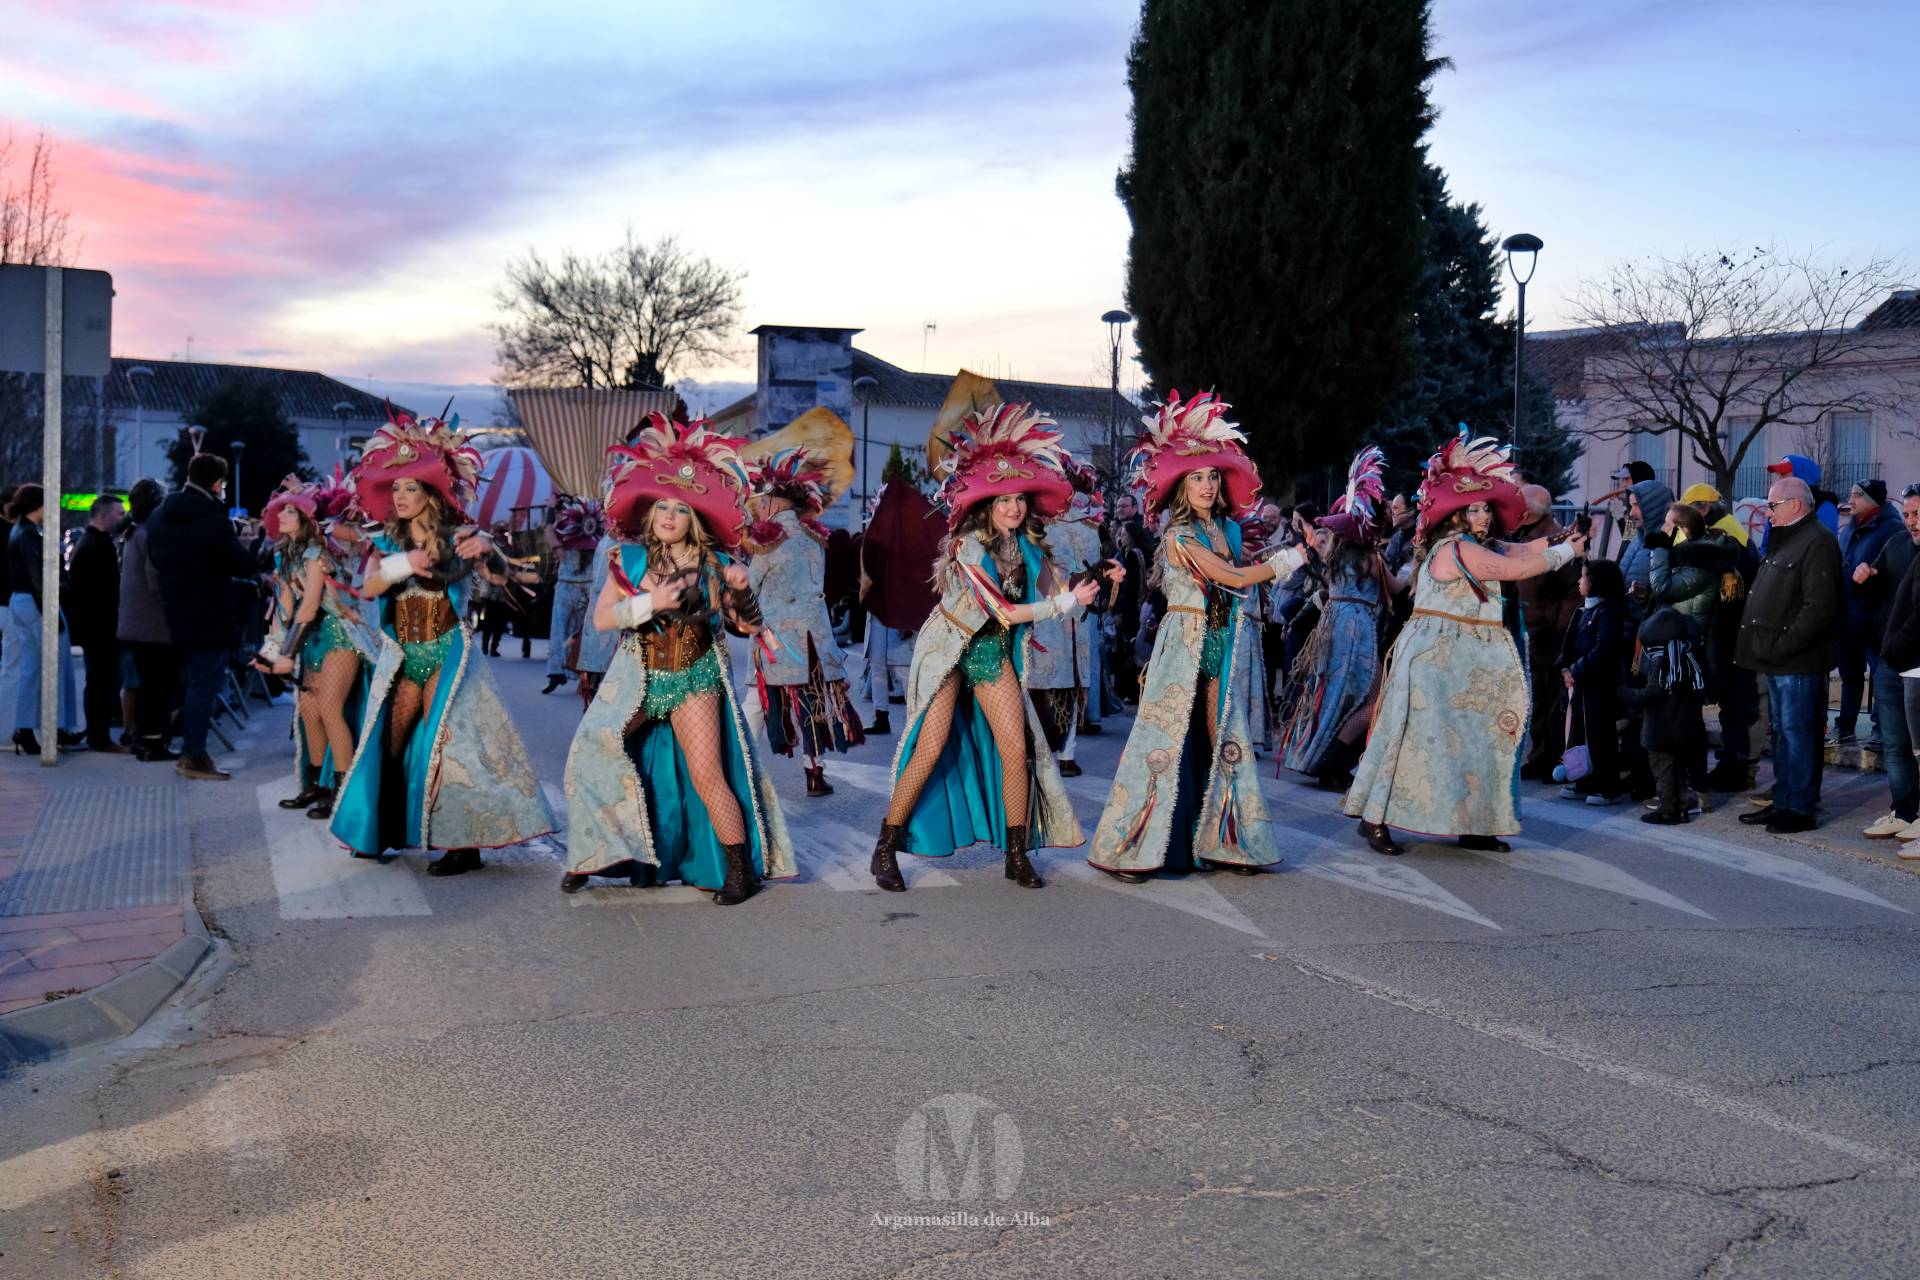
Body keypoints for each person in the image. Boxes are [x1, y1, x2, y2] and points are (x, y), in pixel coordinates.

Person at [870, 402, 1108, 893]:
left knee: (1015, 749)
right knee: (931, 747)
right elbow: (1003, 609)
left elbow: (1053, 592)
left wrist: (1098, 581)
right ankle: (885, 848)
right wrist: (1067, 602)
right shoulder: (968, 547)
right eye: (1003, 500)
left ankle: (1016, 854)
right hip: (948, 650)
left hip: (991, 653)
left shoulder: (1029, 546)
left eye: (1020, 499)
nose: (1013, 508)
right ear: (985, 504)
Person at [561, 413, 796, 903]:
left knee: (706, 771)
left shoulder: (718, 565)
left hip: (694, 677)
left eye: (681, 509)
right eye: (662, 506)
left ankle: (738, 870)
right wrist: (652, 603)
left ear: (696, 518)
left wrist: (743, 592)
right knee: (591, 749)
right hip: (640, 678)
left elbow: (748, 628)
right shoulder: (627, 560)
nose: (669, 516)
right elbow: (604, 618)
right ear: (648, 512)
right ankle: (595, 852)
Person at [329, 413, 554, 872]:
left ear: (430, 493)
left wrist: (488, 547)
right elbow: (369, 588)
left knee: (447, 743)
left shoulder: (460, 536)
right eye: (396, 488)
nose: (401, 496)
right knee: (388, 741)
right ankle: (380, 828)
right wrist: (406, 561)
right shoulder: (385, 540)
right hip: (403, 657)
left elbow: (499, 574)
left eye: (411, 488)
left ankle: (461, 845)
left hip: (447, 651)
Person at [1346, 432, 1588, 855]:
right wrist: (1565, 552)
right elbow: (1514, 569)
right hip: (1436, 660)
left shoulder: (1481, 543)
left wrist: (1558, 539)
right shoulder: (1455, 549)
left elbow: (1521, 549)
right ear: (1455, 516)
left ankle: (1475, 824)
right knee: (1417, 741)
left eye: (1484, 509)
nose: (1482, 516)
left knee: (1481, 740)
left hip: (1467, 664)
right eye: (1473, 509)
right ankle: (1375, 818)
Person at [1089, 393, 1299, 880]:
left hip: (1222, 641)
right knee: (1166, 738)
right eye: (1196, 478)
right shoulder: (1178, 535)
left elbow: (1239, 574)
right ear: (1181, 487)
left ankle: (1227, 842)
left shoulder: (1224, 527)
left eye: (1211, 477)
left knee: (1221, 735)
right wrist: (1291, 559)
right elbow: (1238, 580)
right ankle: (1141, 847)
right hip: (1183, 641)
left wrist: (1277, 557)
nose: (1206, 485)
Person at [253, 474, 379, 820]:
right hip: (313, 637)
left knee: (329, 709)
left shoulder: (317, 552)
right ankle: (317, 788)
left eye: (290, 511)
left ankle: (342, 791)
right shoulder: (287, 555)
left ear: (307, 518)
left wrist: (285, 656)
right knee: (308, 712)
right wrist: (269, 652)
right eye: (280, 511)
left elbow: (309, 607)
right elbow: (286, 611)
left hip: (340, 634)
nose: (280, 516)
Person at [742, 445, 865, 797]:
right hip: (814, 634)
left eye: (763, 502)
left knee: (757, 698)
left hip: (775, 636)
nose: (759, 508)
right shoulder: (815, 538)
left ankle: (742, 768)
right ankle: (815, 774)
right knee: (811, 704)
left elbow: (750, 587)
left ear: (775, 504)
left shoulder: (767, 539)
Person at [1736, 476, 1842, 835]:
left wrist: (1784, 644)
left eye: (1772, 506)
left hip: (1798, 660)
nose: (1767, 513)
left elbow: (1819, 607)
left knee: (1798, 733)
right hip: (1778, 659)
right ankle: (1783, 800)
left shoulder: (1817, 542)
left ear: (1794, 505)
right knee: (1782, 733)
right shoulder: (1790, 539)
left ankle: (1799, 807)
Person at [1279, 446, 1389, 790]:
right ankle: (1334, 762)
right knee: (1365, 696)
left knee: (1331, 690)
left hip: (1333, 623)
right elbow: (1397, 590)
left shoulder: (1336, 555)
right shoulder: (1371, 560)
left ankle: (1319, 756)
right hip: (1357, 627)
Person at [147, 453, 255, 779]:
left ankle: (188, 749)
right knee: (204, 684)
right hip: (209, 612)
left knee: (191, 681)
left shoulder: (160, 516)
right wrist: (248, 545)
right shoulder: (212, 520)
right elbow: (241, 563)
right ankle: (193, 754)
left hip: (176, 609)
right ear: (217, 483)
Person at [1027, 462, 1107, 775]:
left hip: (1047, 608)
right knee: (1071, 681)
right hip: (1078, 609)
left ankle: (1043, 748)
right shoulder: (1089, 527)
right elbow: (1095, 567)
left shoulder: (1038, 526)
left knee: (1043, 679)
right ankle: (1067, 754)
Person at [1860, 485, 1920, 840]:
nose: (1912, 522)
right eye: (1909, 515)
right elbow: (1875, 585)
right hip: (1890, 660)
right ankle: (1903, 811)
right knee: (1896, 745)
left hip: (1913, 661)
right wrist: (1865, 576)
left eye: (1918, 515)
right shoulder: (1897, 544)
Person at [5, 484, 83, 754]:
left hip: (22, 601)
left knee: (31, 669)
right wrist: (53, 615)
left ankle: (25, 729)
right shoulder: (28, 535)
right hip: (38, 603)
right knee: (55, 667)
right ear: (39, 505)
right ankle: (55, 728)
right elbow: (39, 579)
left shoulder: (19, 532)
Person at [1511, 484, 1580, 780]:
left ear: (1528, 512)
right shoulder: (1529, 535)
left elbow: (1571, 592)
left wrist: (1559, 628)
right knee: (1537, 696)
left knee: (1546, 697)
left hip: (1547, 631)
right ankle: (1540, 754)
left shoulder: (1552, 539)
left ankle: (1545, 756)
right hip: (1532, 626)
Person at [1620, 607, 1711, 824]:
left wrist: (1625, 694)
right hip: (1683, 729)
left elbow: (1653, 693)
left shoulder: (1661, 660)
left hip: (1661, 730)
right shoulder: (1688, 655)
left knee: (1663, 772)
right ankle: (1680, 807)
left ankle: (1668, 811)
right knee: (1678, 771)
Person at [1558, 559, 1631, 805]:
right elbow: (1569, 644)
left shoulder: (1608, 612)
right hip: (1580, 684)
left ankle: (1609, 786)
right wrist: (1565, 667)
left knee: (1600, 734)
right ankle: (1583, 778)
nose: (1580, 581)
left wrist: (1577, 670)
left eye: (1584, 577)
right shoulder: (1583, 609)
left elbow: (1603, 648)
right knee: (1579, 732)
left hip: (1598, 684)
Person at [116, 479, 179, 762]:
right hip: (152, 625)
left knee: (146, 685)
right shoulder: (148, 536)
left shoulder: (132, 534)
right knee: (158, 686)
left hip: (134, 623)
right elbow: (157, 582)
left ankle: (143, 737)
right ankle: (153, 741)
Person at [1834, 480, 1899, 746]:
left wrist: (1873, 577)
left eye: (1857, 495)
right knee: (1849, 676)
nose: (1851, 499)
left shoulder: (1891, 529)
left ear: (1873, 501)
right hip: (1848, 614)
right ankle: (1845, 725)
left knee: (1880, 677)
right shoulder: (1850, 529)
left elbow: (1893, 570)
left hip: (1875, 615)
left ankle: (1879, 730)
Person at [68, 494, 126, 753]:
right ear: (103, 515)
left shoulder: (89, 542)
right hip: (100, 627)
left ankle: (98, 733)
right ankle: (100, 737)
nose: (122, 518)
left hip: (95, 626)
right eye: (118, 513)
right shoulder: (98, 546)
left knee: (98, 680)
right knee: (101, 681)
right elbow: (106, 590)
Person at [542, 495, 602, 694]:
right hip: (585, 589)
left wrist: (551, 510)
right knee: (586, 633)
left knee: (561, 630)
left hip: (569, 589)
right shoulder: (595, 541)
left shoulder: (564, 545)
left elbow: (548, 530)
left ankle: (559, 673)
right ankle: (585, 676)